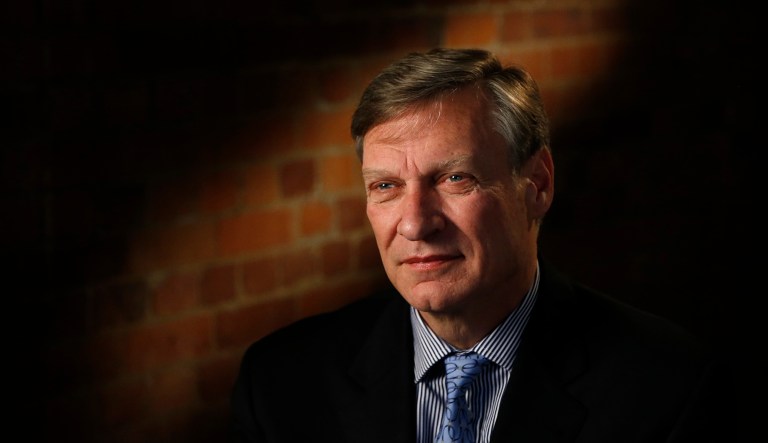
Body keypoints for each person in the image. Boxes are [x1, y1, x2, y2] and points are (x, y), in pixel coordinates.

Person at [229, 48, 733, 442]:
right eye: (386, 186)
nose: (415, 224)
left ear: (537, 184)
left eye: (454, 178)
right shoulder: (280, 384)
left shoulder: (667, 387)